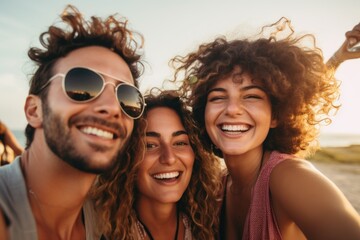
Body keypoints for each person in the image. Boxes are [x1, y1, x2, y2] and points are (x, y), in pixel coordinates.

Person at [172, 17, 360, 239]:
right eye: (218, 97)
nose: (232, 109)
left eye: (251, 96)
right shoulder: (219, 186)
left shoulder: (290, 178)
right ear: (204, 114)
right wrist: (337, 58)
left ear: (276, 116)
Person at [0, 5, 146, 240]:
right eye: (84, 84)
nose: (112, 107)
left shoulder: (105, 220)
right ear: (34, 110)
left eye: (127, 97)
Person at [92, 90, 222, 239]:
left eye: (180, 143)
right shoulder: (99, 230)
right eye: (150, 145)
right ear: (127, 157)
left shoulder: (211, 226)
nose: (169, 158)